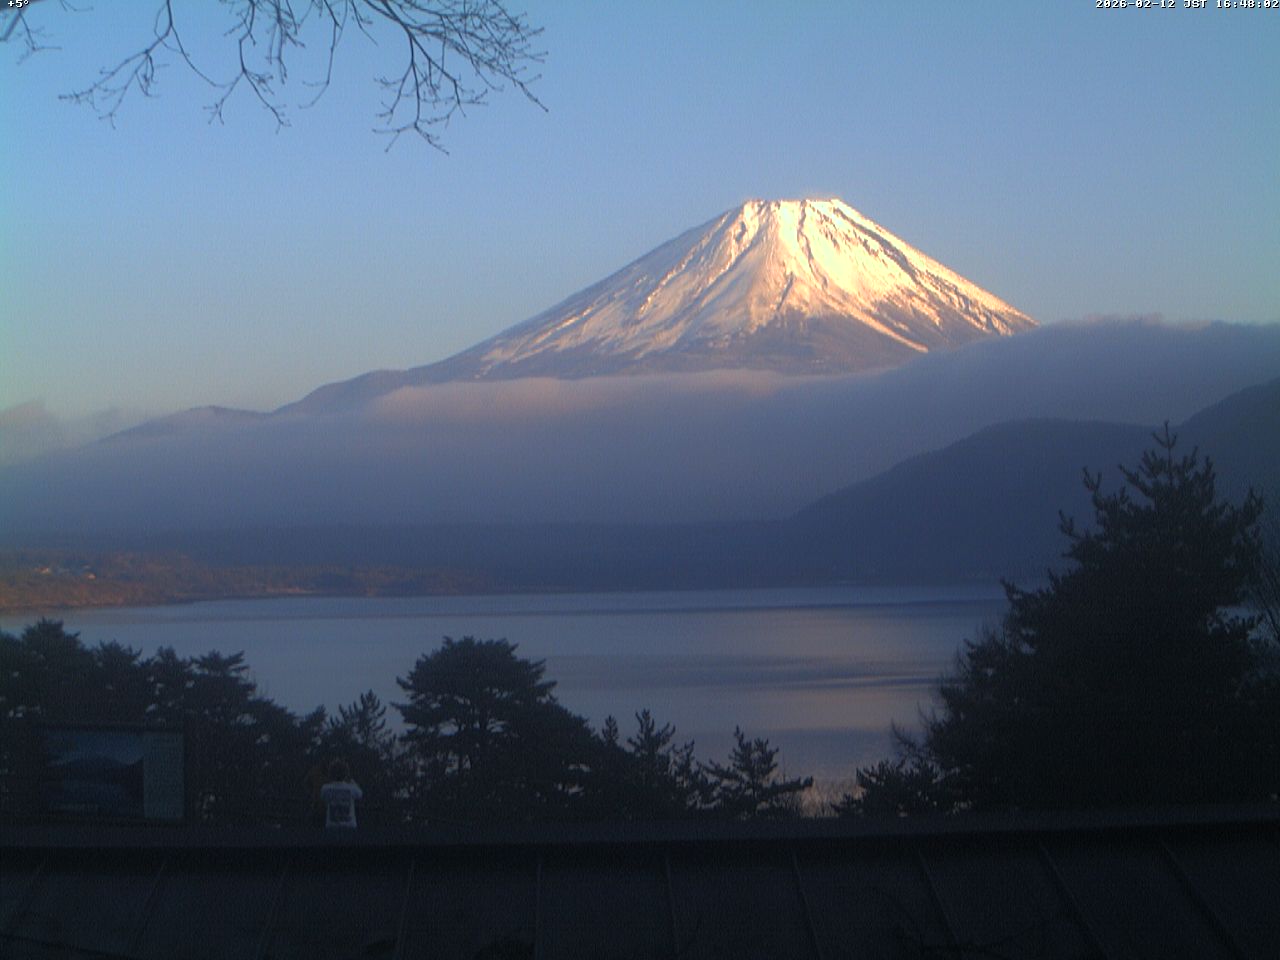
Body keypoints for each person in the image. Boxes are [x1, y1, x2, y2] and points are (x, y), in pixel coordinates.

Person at [319, 759, 363, 829]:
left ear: (330, 773)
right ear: (346, 773)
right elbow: (360, 795)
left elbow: (323, 797)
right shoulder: (352, 788)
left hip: (331, 827)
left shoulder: (325, 788)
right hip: (350, 826)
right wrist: (354, 783)